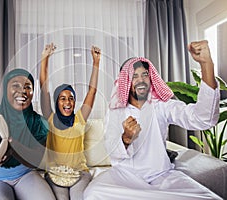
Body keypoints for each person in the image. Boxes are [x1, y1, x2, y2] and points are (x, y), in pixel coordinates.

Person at [83, 40, 222, 200]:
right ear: (126, 82)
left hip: (161, 176)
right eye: (134, 76)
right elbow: (111, 149)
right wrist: (126, 139)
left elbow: (202, 119)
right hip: (124, 177)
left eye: (144, 75)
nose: (141, 79)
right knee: (92, 194)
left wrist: (207, 65)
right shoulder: (115, 111)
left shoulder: (161, 106)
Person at [0, 68, 55, 200]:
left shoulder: (39, 122)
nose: (22, 91)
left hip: (26, 174)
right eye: (15, 85)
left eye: (28, 87)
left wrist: (11, 146)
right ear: (6, 90)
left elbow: (36, 161)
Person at [40, 43, 101, 200]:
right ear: (56, 101)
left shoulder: (80, 118)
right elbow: (43, 87)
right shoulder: (50, 117)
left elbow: (92, 91)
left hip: (80, 173)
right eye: (62, 98)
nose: (67, 102)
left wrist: (96, 63)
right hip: (55, 174)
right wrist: (45, 58)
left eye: (71, 98)